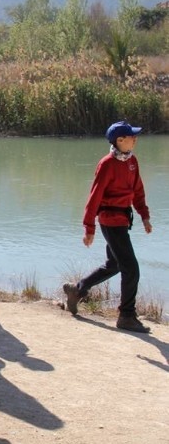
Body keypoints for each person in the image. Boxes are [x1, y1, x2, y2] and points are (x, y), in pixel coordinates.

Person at [63, 121, 152, 333]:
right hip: (110, 221)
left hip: (122, 219)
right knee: (131, 268)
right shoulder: (106, 164)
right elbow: (95, 196)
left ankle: (77, 290)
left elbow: (138, 191)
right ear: (119, 141)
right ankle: (126, 316)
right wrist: (89, 227)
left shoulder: (132, 161)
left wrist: (145, 216)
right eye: (131, 136)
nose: (135, 139)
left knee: (114, 264)